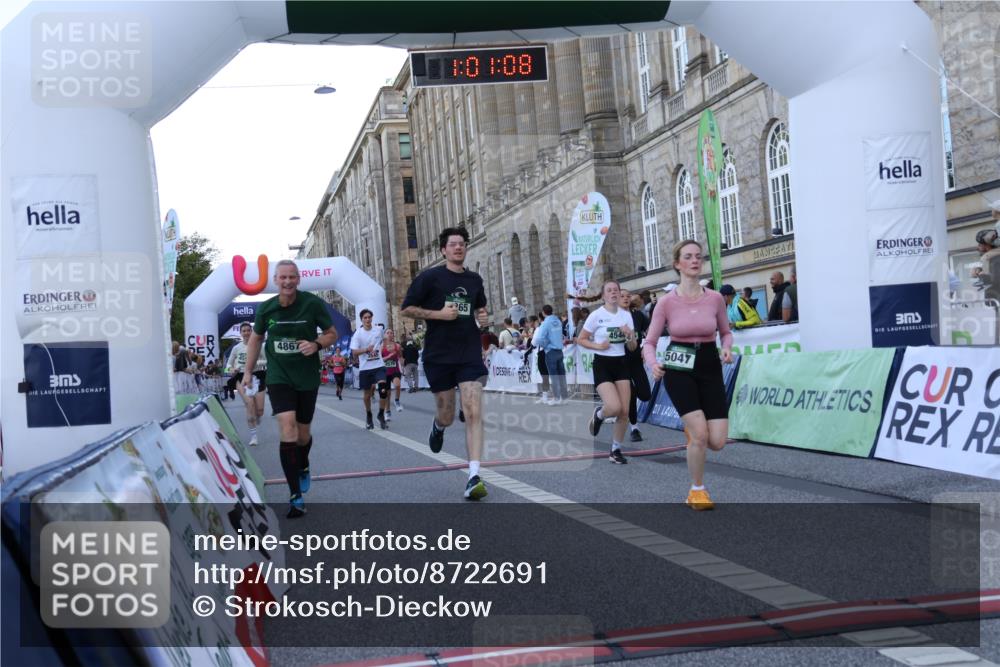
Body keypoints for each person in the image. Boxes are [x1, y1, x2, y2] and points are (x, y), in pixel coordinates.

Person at [243, 259, 338, 518]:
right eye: (282, 277)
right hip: (279, 376)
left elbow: (332, 333)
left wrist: (316, 344)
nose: (287, 281)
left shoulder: (311, 303)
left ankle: (303, 463)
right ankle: (295, 495)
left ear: (298, 279)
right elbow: (256, 340)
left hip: (306, 377)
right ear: (275, 280)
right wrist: (248, 371)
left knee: (303, 436)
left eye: (292, 277)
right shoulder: (267, 308)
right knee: (288, 428)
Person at [644, 240, 733, 511]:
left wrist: (726, 348)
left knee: (717, 441)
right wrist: (653, 364)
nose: (695, 260)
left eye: (698, 256)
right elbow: (649, 342)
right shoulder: (666, 303)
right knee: (700, 436)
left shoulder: (715, 298)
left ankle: (693, 431)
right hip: (678, 367)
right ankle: (697, 490)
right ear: (677, 264)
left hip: (709, 364)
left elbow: (726, 333)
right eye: (688, 257)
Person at [401, 226, 490, 500]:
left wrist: (483, 317)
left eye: (462, 243)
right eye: (453, 244)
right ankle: (438, 426)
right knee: (448, 415)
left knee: (473, 410)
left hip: (469, 353)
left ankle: (474, 475)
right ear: (443, 250)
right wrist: (439, 314)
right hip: (439, 355)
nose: (458, 247)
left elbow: (480, 307)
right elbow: (407, 308)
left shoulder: (474, 280)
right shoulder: (430, 278)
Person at [577, 280, 637, 465]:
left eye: (616, 290)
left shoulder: (626, 316)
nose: (613, 293)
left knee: (624, 411)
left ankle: (615, 450)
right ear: (603, 295)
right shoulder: (596, 315)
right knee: (613, 407)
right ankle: (599, 415)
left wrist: (629, 335)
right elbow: (581, 339)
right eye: (609, 290)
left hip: (621, 363)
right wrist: (598, 346)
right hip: (602, 363)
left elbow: (632, 347)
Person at [226, 321, 268, 445]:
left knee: (259, 410)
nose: (246, 333)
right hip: (241, 376)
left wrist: (257, 362)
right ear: (240, 333)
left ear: (252, 332)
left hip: (258, 375)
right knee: (249, 404)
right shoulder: (236, 348)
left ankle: (257, 415)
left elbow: (267, 361)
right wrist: (232, 369)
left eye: (248, 330)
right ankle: (253, 436)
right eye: (244, 331)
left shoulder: (259, 345)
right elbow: (227, 366)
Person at [620, 288, 651, 442]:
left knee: (645, 395)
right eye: (622, 296)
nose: (626, 298)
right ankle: (634, 428)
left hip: (636, 361)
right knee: (630, 395)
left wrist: (645, 346)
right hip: (620, 362)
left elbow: (651, 330)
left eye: (628, 296)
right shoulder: (612, 317)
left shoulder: (637, 315)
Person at [350, 309, 389, 431]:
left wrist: (385, 346)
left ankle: (381, 414)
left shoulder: (378, 330)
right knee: (367, 395)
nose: (367, 319)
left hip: (378, 365)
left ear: (372, 318)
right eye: (365, 318)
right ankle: (369, 414)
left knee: (383, 389)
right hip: (365, 368)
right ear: (362, 320)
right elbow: (354, 352)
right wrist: (366, 349)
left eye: (369, 317)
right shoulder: (358, 334)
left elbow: (384, 338)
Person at [535, 304, 568, 404]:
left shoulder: (545, 323)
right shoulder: (558, 321)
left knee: (554, 375)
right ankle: (564, 398)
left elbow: (539, 339)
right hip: (559, 350)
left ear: (543, 312)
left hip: (551, 351)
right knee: (561, 375)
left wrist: (546, 346)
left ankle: (556, 398)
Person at [381, 329, 404, 417]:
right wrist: (388, 357)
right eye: (388, 333)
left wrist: (403, 366)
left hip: (395, 370)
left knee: (397, 385)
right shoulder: (381, 346)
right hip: (385, 372)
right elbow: (379, 360)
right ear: (384, 335)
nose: (390, 334)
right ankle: (387, 411)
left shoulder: (397, 346)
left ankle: (397, 401)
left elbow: (400, 357)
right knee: (387, 393)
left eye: (391, 333)